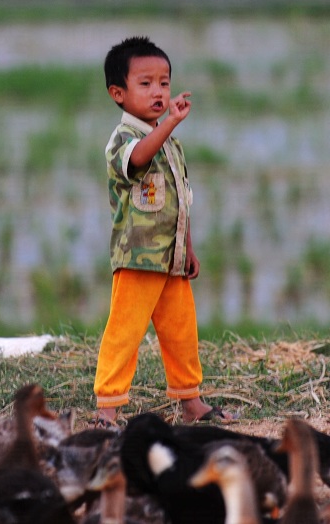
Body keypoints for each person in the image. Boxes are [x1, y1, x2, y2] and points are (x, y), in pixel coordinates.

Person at [93, 36, 235, 426]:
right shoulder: (124, 139)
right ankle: (107, 407)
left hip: (170, 259)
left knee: (181, 332)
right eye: (146, 83)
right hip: (138, 258)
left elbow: (181, 202)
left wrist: (187, 248)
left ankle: (191, 401)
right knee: (125, 332)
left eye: (164, 82)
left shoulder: (171, 143)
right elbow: (137, 160)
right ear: (117, 94)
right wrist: (169, 121)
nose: (158, 92)